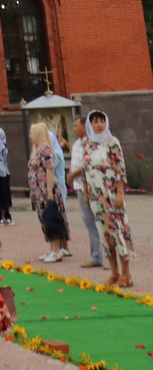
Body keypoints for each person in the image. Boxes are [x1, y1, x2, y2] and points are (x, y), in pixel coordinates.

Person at [83, 110, 134, 288]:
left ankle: (126, 274)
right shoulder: (87, 143)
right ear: (90, 125)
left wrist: (120, 192)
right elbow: (86, 168)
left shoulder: (112, 142)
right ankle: (114, 272)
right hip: (96, 197)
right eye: (95, 122)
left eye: (101, 121)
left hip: (111, 195)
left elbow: (120, 169)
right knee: (104, 234)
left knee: (118, 232)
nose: (99, 125)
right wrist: (86, 192)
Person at [27, 121, 70, 263]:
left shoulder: (45, 148)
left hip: (46, 189)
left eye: (32, 133)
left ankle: (57, 250)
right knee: (45, 219)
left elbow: (50, 170)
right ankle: (52, 249)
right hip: (39, 190)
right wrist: (33, 191)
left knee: (51, 218)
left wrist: (50, 192)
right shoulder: (37, 148)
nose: (30, 136)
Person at [68, 116, 104, 267]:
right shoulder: (77, 143)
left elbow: (86, 165)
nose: (73, 129)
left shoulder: (90, 142)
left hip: (89, 186)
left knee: (98, 220)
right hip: (79, 186)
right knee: (88, 221)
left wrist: (71, 175)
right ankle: (96, 255)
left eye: (76, 126)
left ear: (84, 127)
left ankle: (105, 257)